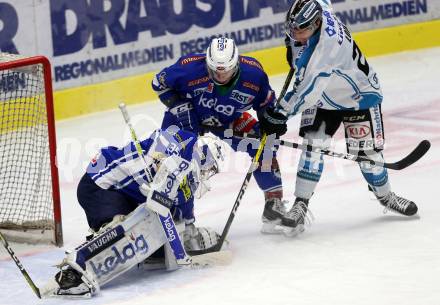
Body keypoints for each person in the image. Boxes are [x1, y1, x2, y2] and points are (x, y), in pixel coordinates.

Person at [258, 0, 418, 236]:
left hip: (358, 96)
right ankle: (300, 204)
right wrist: (295, 46)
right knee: (312, 145)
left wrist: (279, 114)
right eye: (292, 29)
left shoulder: (327, 49)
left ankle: (386, 197)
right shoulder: (319, 9)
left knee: (367, 154)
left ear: (316, 24)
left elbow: (307, 92)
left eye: (300, 30)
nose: (294, 34)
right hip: (326, 96)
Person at [42, 127, 224, 297]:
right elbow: (163, 141)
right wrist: (164, 167)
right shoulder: (185, 140)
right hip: (99, 184)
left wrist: (189, 237)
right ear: (202, 155)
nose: (208, 172)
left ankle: (150, 255)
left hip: (124, 195)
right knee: (121, 228)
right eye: (210, 166)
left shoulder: (188, 183)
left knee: (154, 227)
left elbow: (181, 217)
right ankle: (73, 272)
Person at [152, 37, 288, 233]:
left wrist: (270, 121)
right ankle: (176, 217)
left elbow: (266, 104)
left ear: (236, 64)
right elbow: (158, 83)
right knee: (168, 160)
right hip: (187, 116)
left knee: (264, 146)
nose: (220, 76)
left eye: (226, 72)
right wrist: (179, 106)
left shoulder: (254, 74)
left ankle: (273, 207)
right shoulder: (189, 67)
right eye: (214, 70)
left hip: (227, 119)